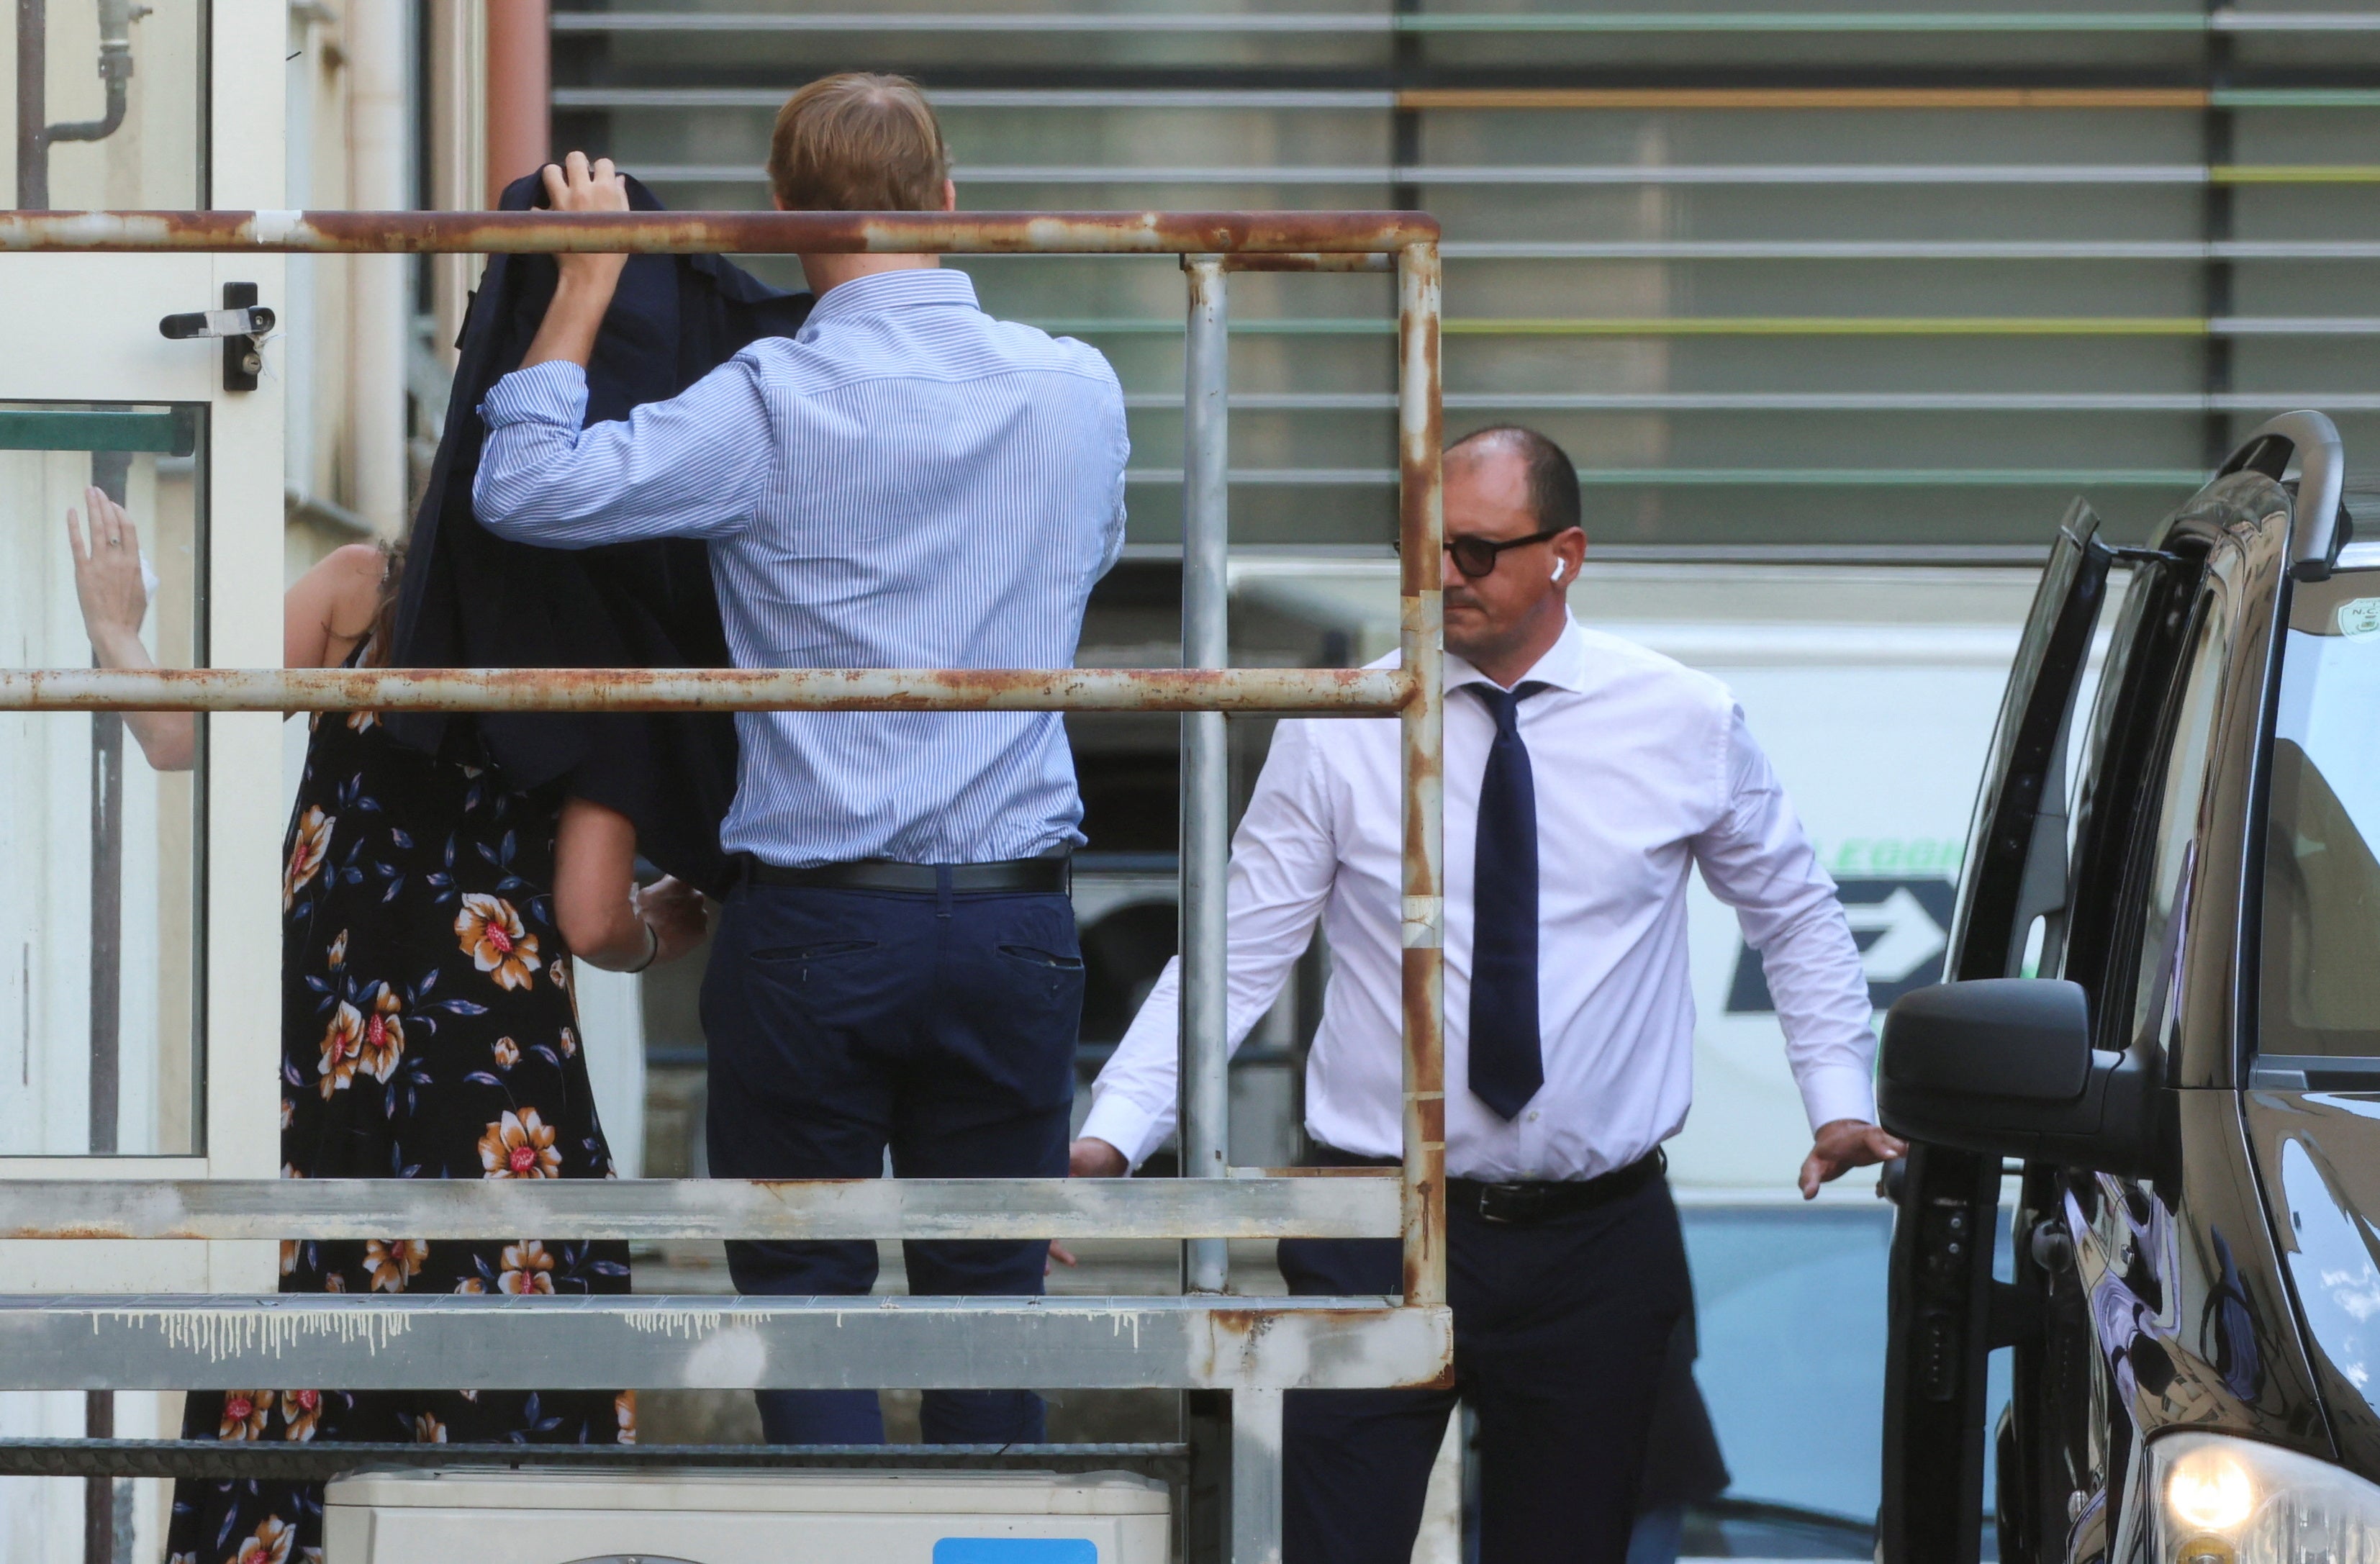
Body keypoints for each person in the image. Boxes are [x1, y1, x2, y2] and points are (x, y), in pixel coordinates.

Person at [1070, 426, 1904, 1564]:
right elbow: (1234, 953)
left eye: (1474, 550)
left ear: (1566, 552)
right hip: (1377, 1224)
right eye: (1425, 546)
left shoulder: (1684, 720)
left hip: (1595, 1241)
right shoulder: (1342, 724)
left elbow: (1797, 917)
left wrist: (1836, 1098)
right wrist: (1111, 1139)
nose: (1443, 575)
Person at [469, 73, 1129, 1447]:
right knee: (989, 1306)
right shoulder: (1079, 387)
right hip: (1018, 919)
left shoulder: (768, 397)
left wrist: (587, 282)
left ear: (780, 220)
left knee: (811, 1302)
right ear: (951, 203)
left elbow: (524, 490)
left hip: (821, 921)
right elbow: (1083, 566)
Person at [65, 491, 707, 1563]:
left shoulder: (366, 594)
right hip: (502, 1099)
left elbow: (179, 736)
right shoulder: (601, 654)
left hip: (335, 1077)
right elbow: (594, 917)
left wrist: (116, 625)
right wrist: (650, 935)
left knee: (312, 1341)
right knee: (499, 1376)